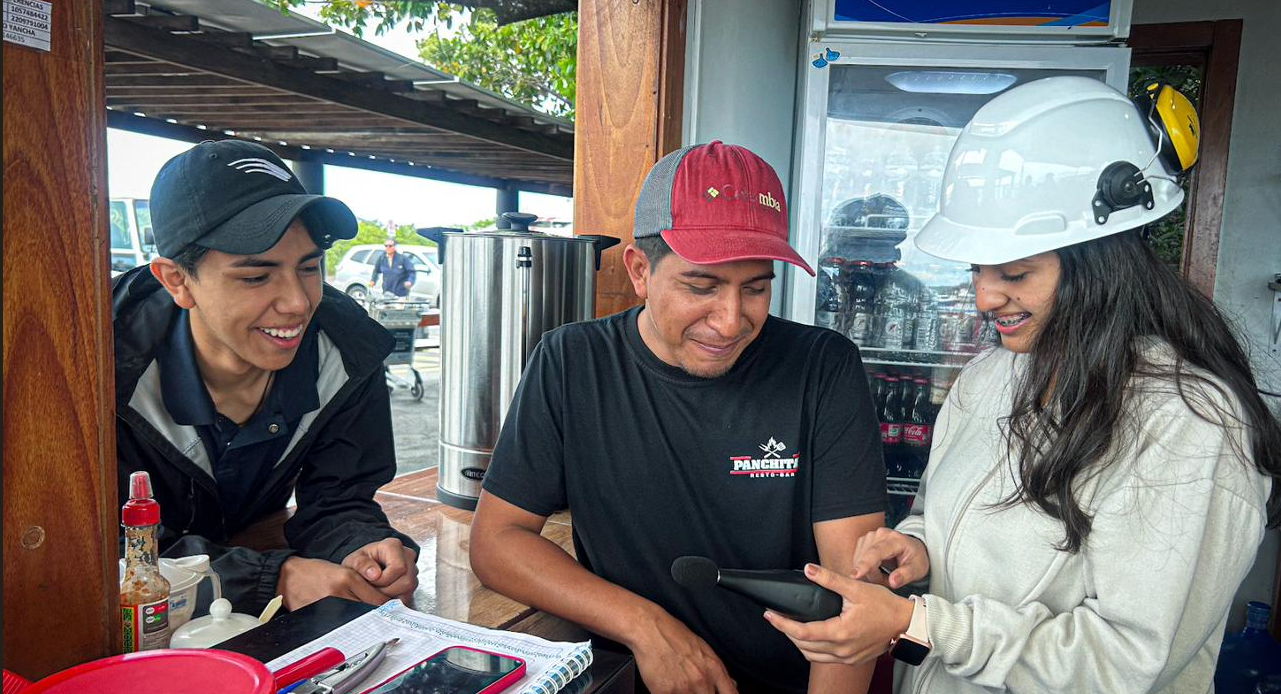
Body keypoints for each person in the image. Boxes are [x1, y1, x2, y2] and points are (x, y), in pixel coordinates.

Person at [765, 77, 1281, 694]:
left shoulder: (1185, 422)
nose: (985, 297)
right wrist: (918, 553)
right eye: (976, 268)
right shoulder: (989, 377)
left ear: (1102, 261)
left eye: (1013, 273)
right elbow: (942, 518)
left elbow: (1127, 661)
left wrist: (921, 624)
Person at [469, 141, 888, 694]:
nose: (731, 321)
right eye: (701, 286)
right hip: (628, 678)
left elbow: (851, 591)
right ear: (640, 271)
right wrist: (645, 626)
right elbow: (497, 541)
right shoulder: (572, 361)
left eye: (756, 288)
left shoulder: (821, 366)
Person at [113, 139, 420, 616]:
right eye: (257, 276)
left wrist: (361, 545)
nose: (298, 303)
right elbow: (86, 544)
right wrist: (269, 579)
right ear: (177, 280)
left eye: (310, 267)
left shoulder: (347, 352)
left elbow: (338, 498)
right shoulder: (99, 368)